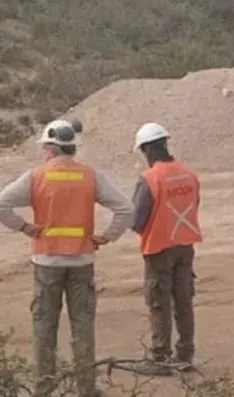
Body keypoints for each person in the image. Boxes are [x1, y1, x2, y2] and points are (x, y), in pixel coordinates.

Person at [0, 119, 134, 397]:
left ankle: (44, 388)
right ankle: (86, 388)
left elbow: (1, 204)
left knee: (44, 326)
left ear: (50, 149)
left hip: (47, 262)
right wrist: (107, 236)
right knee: (82, 325)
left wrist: (24, 227)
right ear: (72, 147)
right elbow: (126, 208)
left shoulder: (36, 177)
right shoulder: (90, 176)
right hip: (82, 261)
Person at [129, 122, 203, 376]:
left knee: (159, 303)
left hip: (159, 248)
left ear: (147, 149)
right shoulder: (189, 174)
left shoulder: (150, 179)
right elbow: (195, 204)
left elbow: (137, 220)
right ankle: (185, 355)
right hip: (185, 246)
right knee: (183, 301)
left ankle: (160, 358)